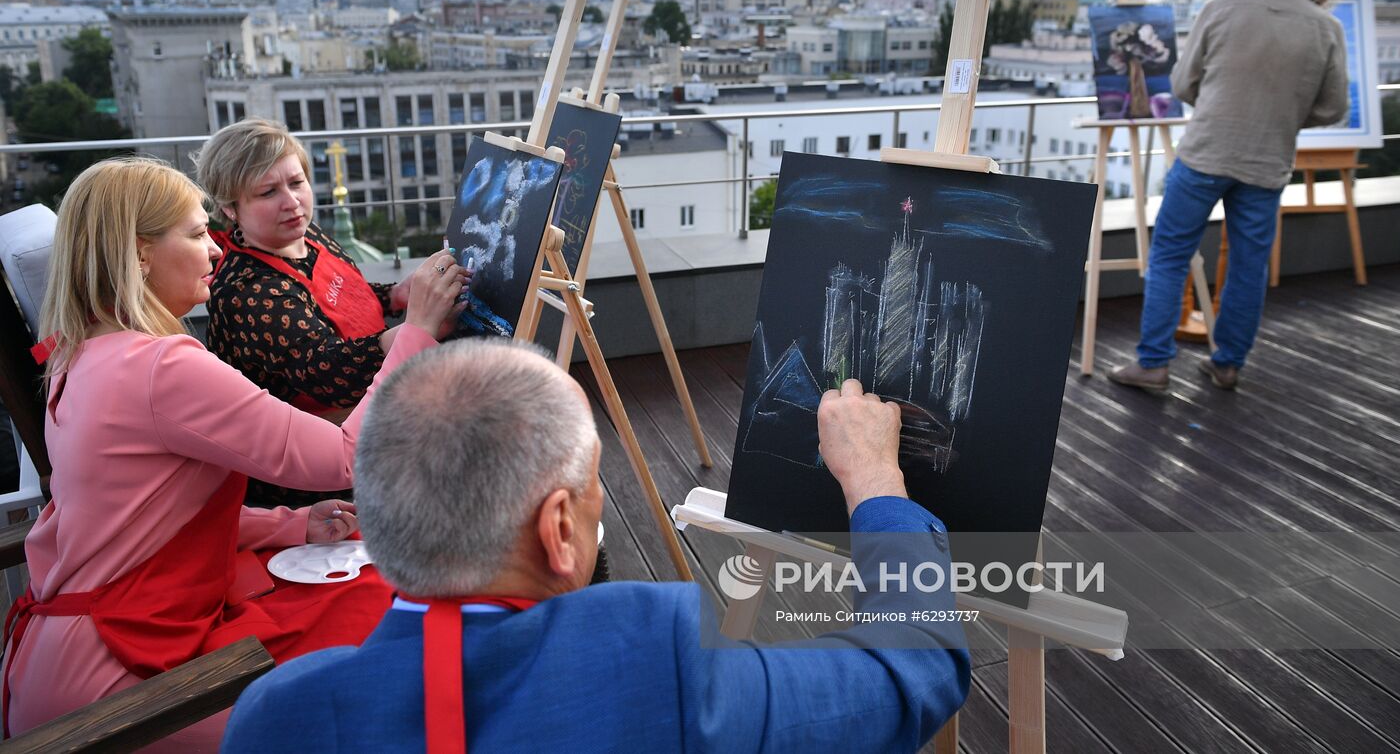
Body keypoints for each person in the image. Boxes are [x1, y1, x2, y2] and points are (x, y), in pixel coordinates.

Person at [222, 340, 970, 753]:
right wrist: (874, 481)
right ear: (557, 530)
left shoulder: (277, 717)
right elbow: (912, 670)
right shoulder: (656, 656)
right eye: (591, 485)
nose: (598, 500)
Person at [1, 158, 468, 749]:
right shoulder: (161, 366)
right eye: (198, 235)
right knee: (399, 655)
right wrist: (418, 330)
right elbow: (350, 458)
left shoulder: (76, 354)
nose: (217, 252)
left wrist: (289, 522)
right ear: (139, 253)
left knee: (377, 606)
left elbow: (138, 517)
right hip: (125, 682)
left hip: (68, 656)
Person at [1110, 0, 1348, 393]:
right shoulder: (1326, 27)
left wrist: (1215, 101)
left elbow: (1181, 84)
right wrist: (1287, 114)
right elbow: (1333, 107)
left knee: (1170, 256)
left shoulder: (1221, 8)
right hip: (1268, 159)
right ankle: (1227, 364)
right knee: (1247, 263)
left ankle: (1154, 364)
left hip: (1205, 152)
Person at [193, 118, 466, 507]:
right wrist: (418, 326)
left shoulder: (304, 234)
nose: (292, 202)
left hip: (368, 425)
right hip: (312, 482)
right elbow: (326, 373)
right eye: (268, 192)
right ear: (230, 209)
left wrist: (395, 296)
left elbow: (337, 299)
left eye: (297, 182)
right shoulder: (246, 292)